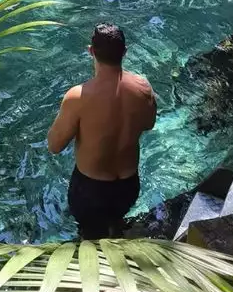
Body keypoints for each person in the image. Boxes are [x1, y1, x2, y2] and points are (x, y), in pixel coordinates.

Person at [47, 23, 157, 240]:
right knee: (116, 225)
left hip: (90, 189)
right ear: (124, 52)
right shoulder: (143, 88)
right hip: (128, 184)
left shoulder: (77, 97)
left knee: (90, 239)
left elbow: (54, 146)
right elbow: (149, 124)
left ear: (91, 51)